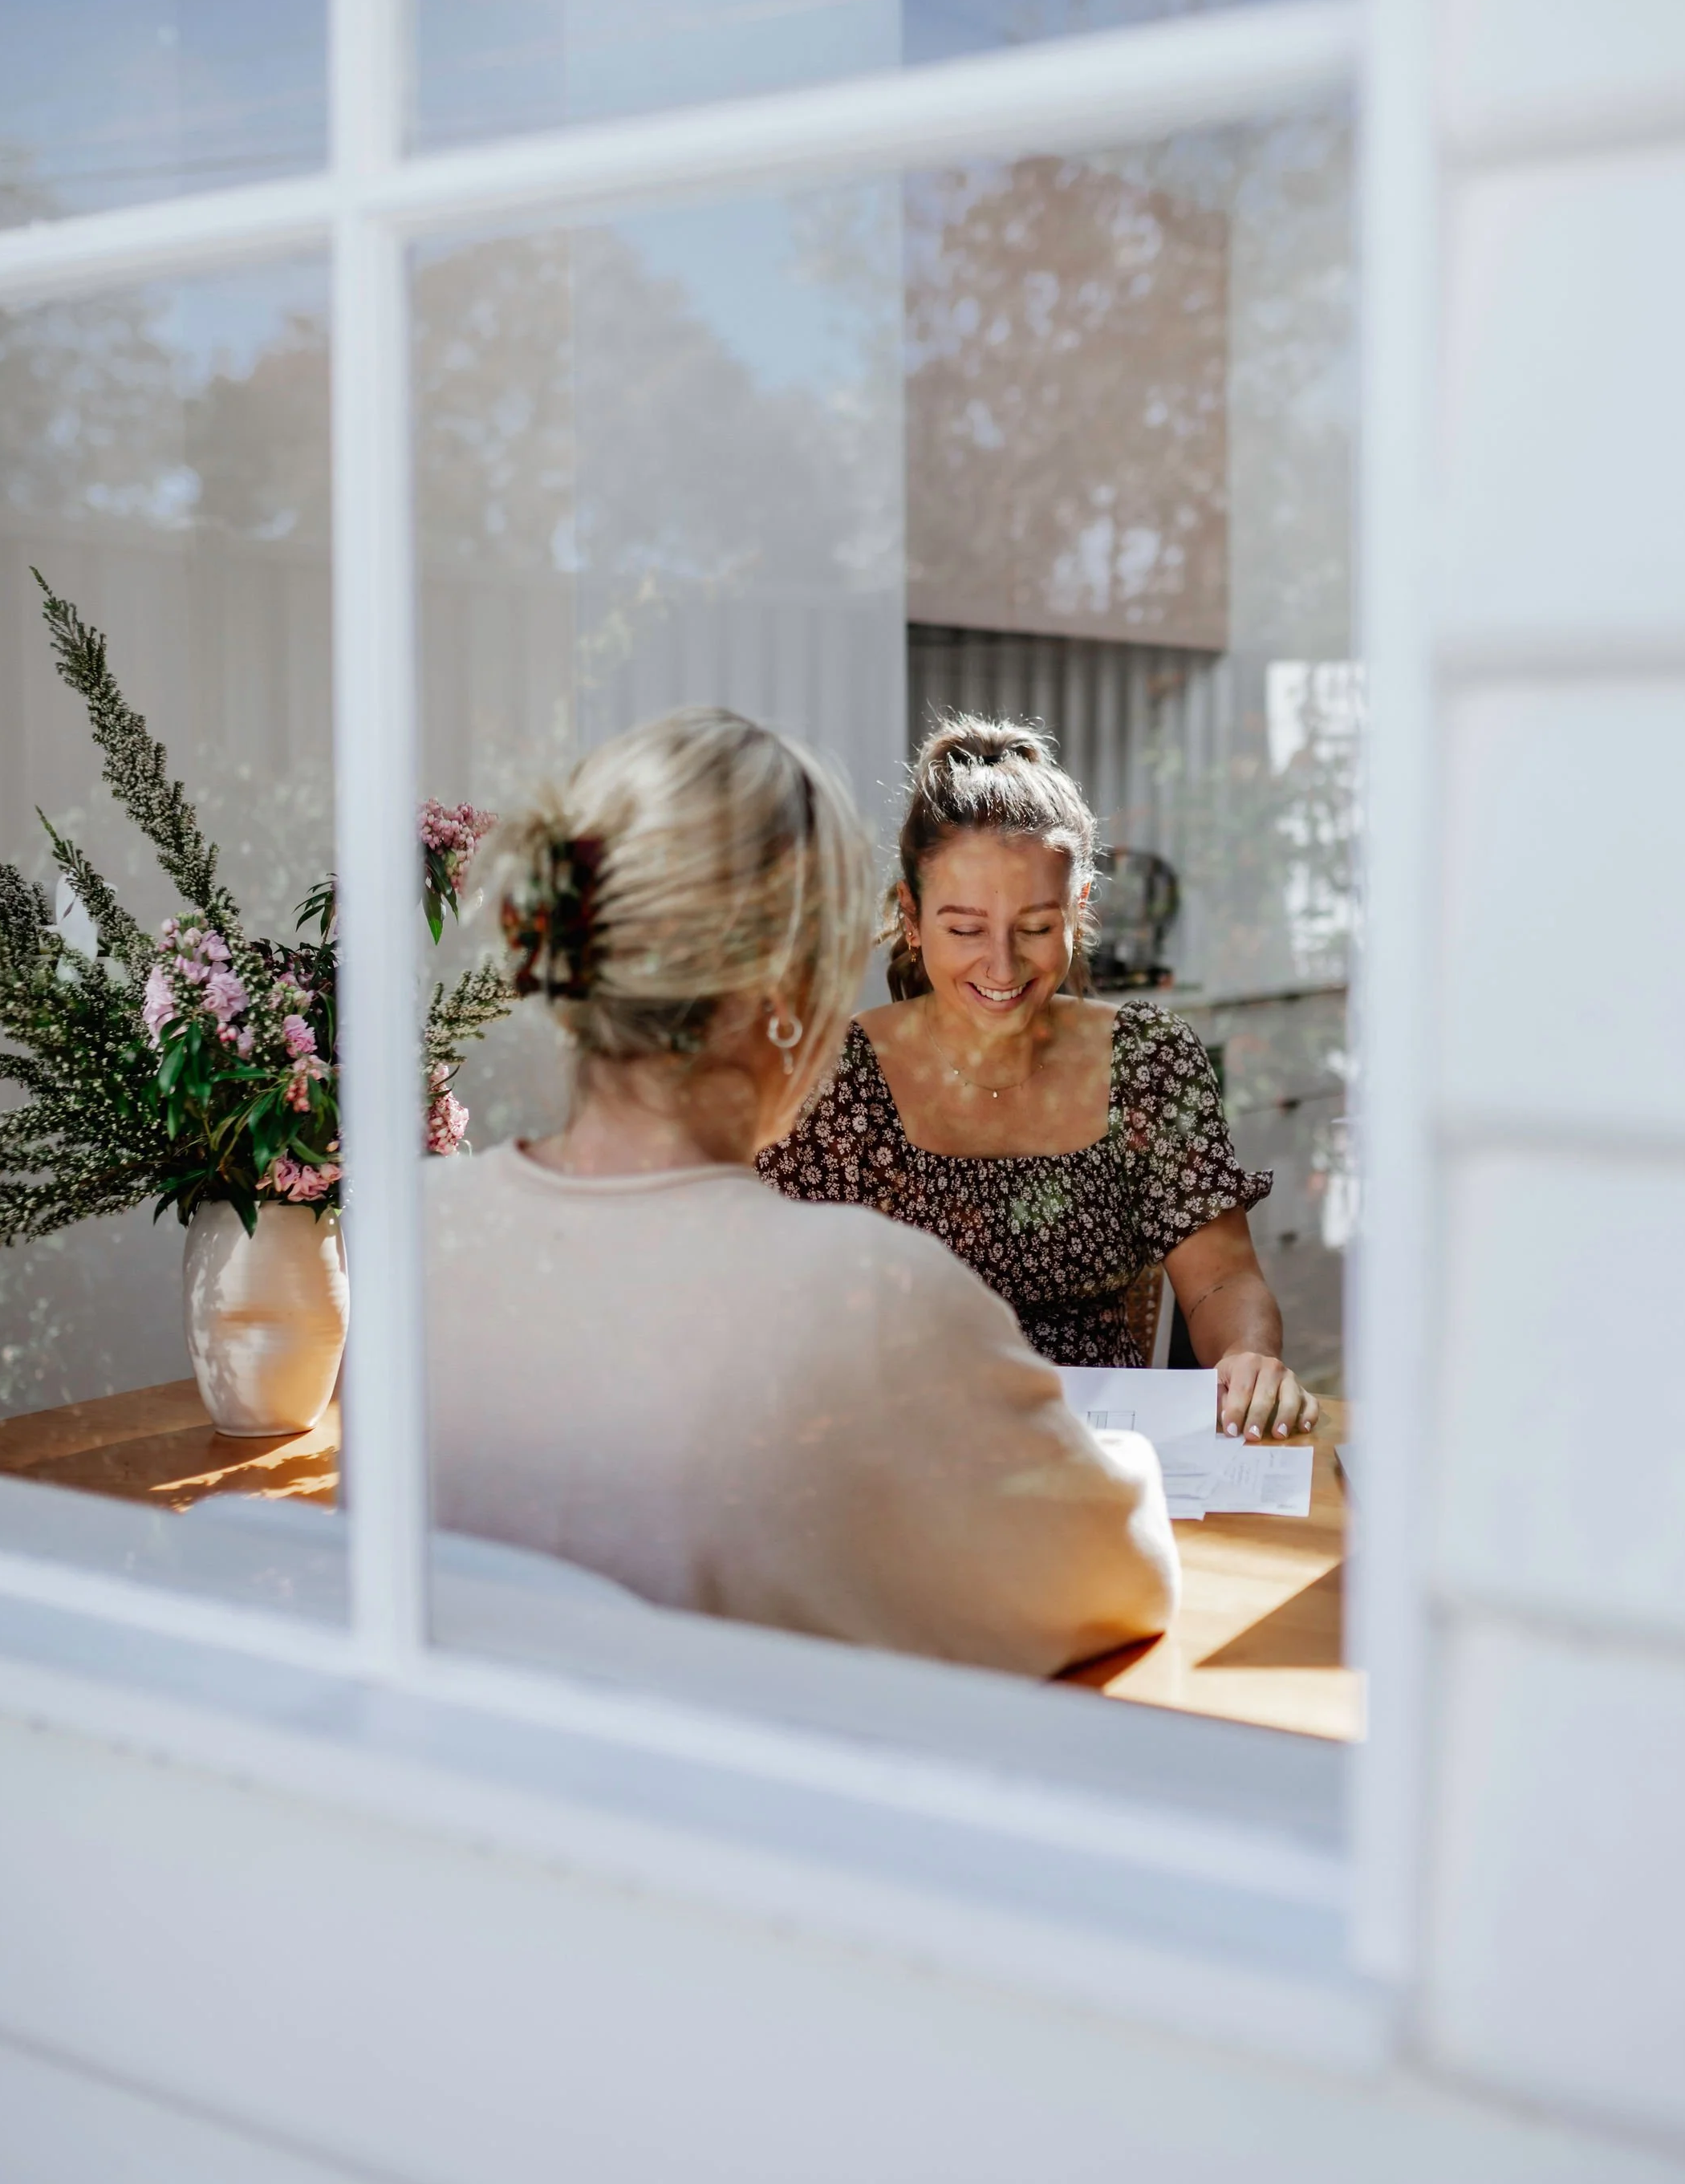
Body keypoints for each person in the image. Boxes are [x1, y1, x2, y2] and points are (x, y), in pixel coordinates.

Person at [424, 706, 1177, 1677]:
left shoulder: (419, 1236)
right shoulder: (867, 1289)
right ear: (790, 989)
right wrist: (1131, 1462)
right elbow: (1121, 1581)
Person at [759, 716, 1319, 1444]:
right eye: (964, 930)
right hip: (895, 1459)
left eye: (1034, 928)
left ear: (1077, 912)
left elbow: (1221, 1280)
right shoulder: (829, 1082)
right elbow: (770, 1314)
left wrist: (1248, 1357)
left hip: (1104, 1461)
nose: (1002, 966)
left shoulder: (1147, 1060)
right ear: (912, 917)